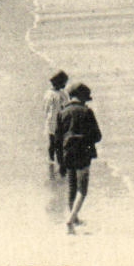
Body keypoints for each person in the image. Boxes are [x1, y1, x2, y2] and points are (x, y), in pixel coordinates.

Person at [55, 83, 102, 230]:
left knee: (72, 187)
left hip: (67, 153)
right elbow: (97, 136)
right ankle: (71, 219)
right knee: (82, 189)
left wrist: (60, 162)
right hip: (83, 153)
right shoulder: (87, 112)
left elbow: (57, 140)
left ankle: (74, 218)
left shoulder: (62, 113)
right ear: (82, 97)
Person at [44, 70, 69, 170]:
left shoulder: (63, 93)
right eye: (64, 82)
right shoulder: (51, 94)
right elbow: (47, 108)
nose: (65, 85)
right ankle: (52, 160)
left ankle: (58, 160)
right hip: (54, 120)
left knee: (58, 141)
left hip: (60, 119)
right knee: (53, 141)